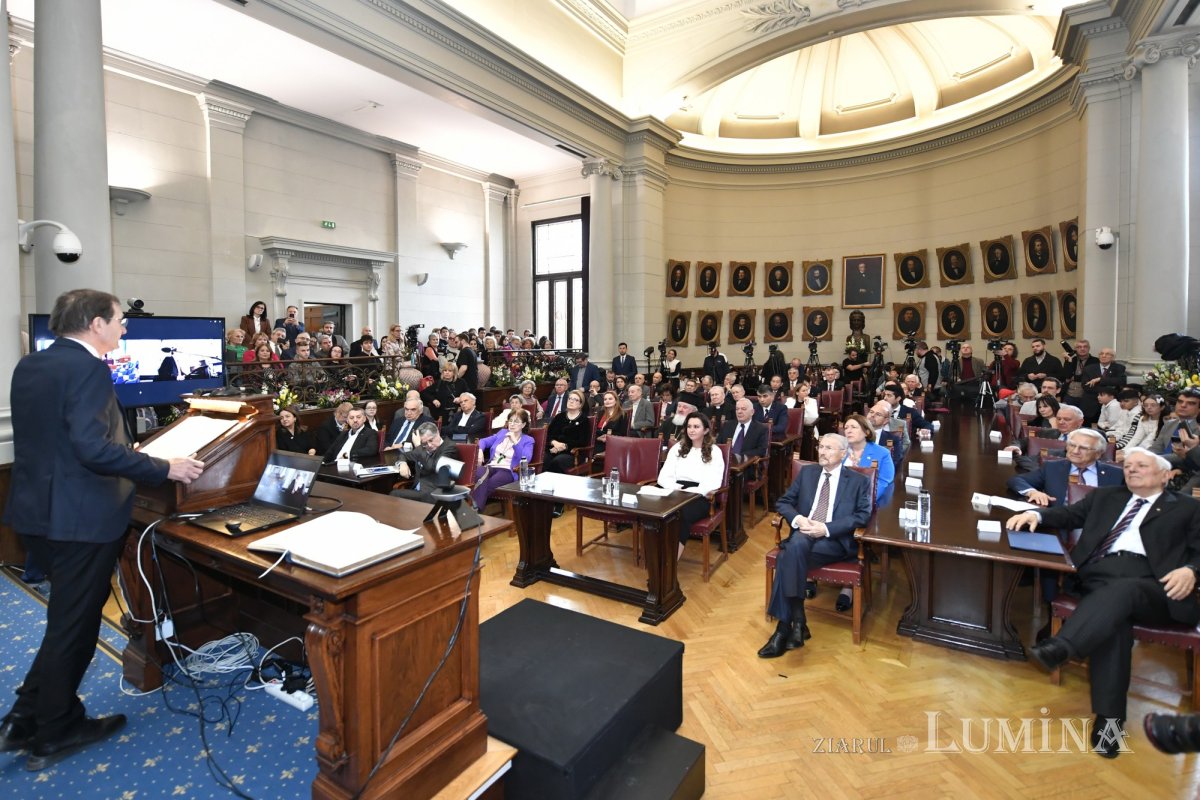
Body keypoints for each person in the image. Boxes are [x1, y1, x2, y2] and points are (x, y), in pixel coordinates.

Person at [0, 289, 204, 770]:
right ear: (96, 323)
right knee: (76, 622)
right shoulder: (88, 368)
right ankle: (55, 729)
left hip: (37, 514)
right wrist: (163, 467)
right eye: (119, 321)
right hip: (81, 517)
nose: (124, 328)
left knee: (65, 619)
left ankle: (25, 716)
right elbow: (93, 448)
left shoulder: (31, 364)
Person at [1008, 449, 1200, 756]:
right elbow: (1068, 515)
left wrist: (1191, 570)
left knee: (1123, 593)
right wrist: (1036, 514)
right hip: (1099, 579)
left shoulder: (1188, 508)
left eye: (1142, 466)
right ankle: (1109, 724)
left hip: (1157, 587)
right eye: (1128, 466)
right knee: (1113, 624)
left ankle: (1064, 646)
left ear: (1165, 475)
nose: (1131, 470)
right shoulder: (1105, 496)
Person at [759, 434, 872, 658]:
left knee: (787, 554)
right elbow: (784, 502)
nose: (822, 452)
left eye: (829, 448)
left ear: (844, 454)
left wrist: (826, 528)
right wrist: (799, 520)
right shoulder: (808, 473)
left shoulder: (859, 481)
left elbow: (863, 516)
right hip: (804, 538)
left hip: (833, 542)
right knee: (795, 548)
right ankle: (793, 625)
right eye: (821, 447)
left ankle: (787, 627)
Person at [657, 412, 726, 559]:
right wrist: (674, 487)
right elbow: (664, 475)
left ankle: (670, 563)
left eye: (696, 426)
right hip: (674, 490)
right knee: (654, 511)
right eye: (689, 426)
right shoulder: (677, 448)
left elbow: (714, 481)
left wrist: (692, 491)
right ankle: (657, 556)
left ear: (706, 430)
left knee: (679, 516)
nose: (691, 430)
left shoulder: (715, 451)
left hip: (700, 495)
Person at [1008, 428, 1123, 508]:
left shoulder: (1117, 475)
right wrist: (1032, 492)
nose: (1075, 451)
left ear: (1098, 453)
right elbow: (1016, 480)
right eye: (1072, 445)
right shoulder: (1053, 467)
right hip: (1057, 525)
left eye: (1083, 448)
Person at [473, 409, 535, 509]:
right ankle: (474, 510)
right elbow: (483, 441)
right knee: (478, 472)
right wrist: (480, 451)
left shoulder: (528, 440)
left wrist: (515, 442)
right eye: (510, 421)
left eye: (516, 421)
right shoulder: (502, 433)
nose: (512, 424)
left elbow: (525, 458)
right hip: (491, 466)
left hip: (508, 470)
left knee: (487, 484)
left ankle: (473, 509)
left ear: (523, 425)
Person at [390, 423, 459, 503]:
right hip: (418, 491)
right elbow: (403, 455)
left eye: (431, 440)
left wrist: (419, 446)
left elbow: (432, 466)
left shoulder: (449, 447)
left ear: (437, 433)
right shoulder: (422, 449)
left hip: (434, 493)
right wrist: (402, 463)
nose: (429, 445)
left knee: (394, 494)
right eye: (424, 443)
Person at [841, 414, 894, 502]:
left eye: (853, 427)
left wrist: (861, 502)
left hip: (865, 502)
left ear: (867, 432)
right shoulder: (840, 450)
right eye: (846, 428)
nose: (848, 431)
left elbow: (883, 483)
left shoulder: (882, 453)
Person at [1118, 394, 1165, 458]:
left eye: (1153, 405)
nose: (1149, 407)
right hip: (1142, 448)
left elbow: (1149, 441)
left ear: (1162, 407)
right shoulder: (1143, 418)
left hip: (1155, 452)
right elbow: (1137, 438)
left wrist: (1127, 455)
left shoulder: (1164, 421)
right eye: (1146, 405)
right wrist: (1124, 451)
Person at [593, 391, 628, 458]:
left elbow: (623, 434)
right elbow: (594, 431)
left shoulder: (622, 414)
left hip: (613, 443)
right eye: (605, 399)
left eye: (610, 399)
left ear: (616, 401)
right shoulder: (600, 413)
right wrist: (598, 438)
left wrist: (608, 437)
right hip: (597, 441)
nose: (607, 401)